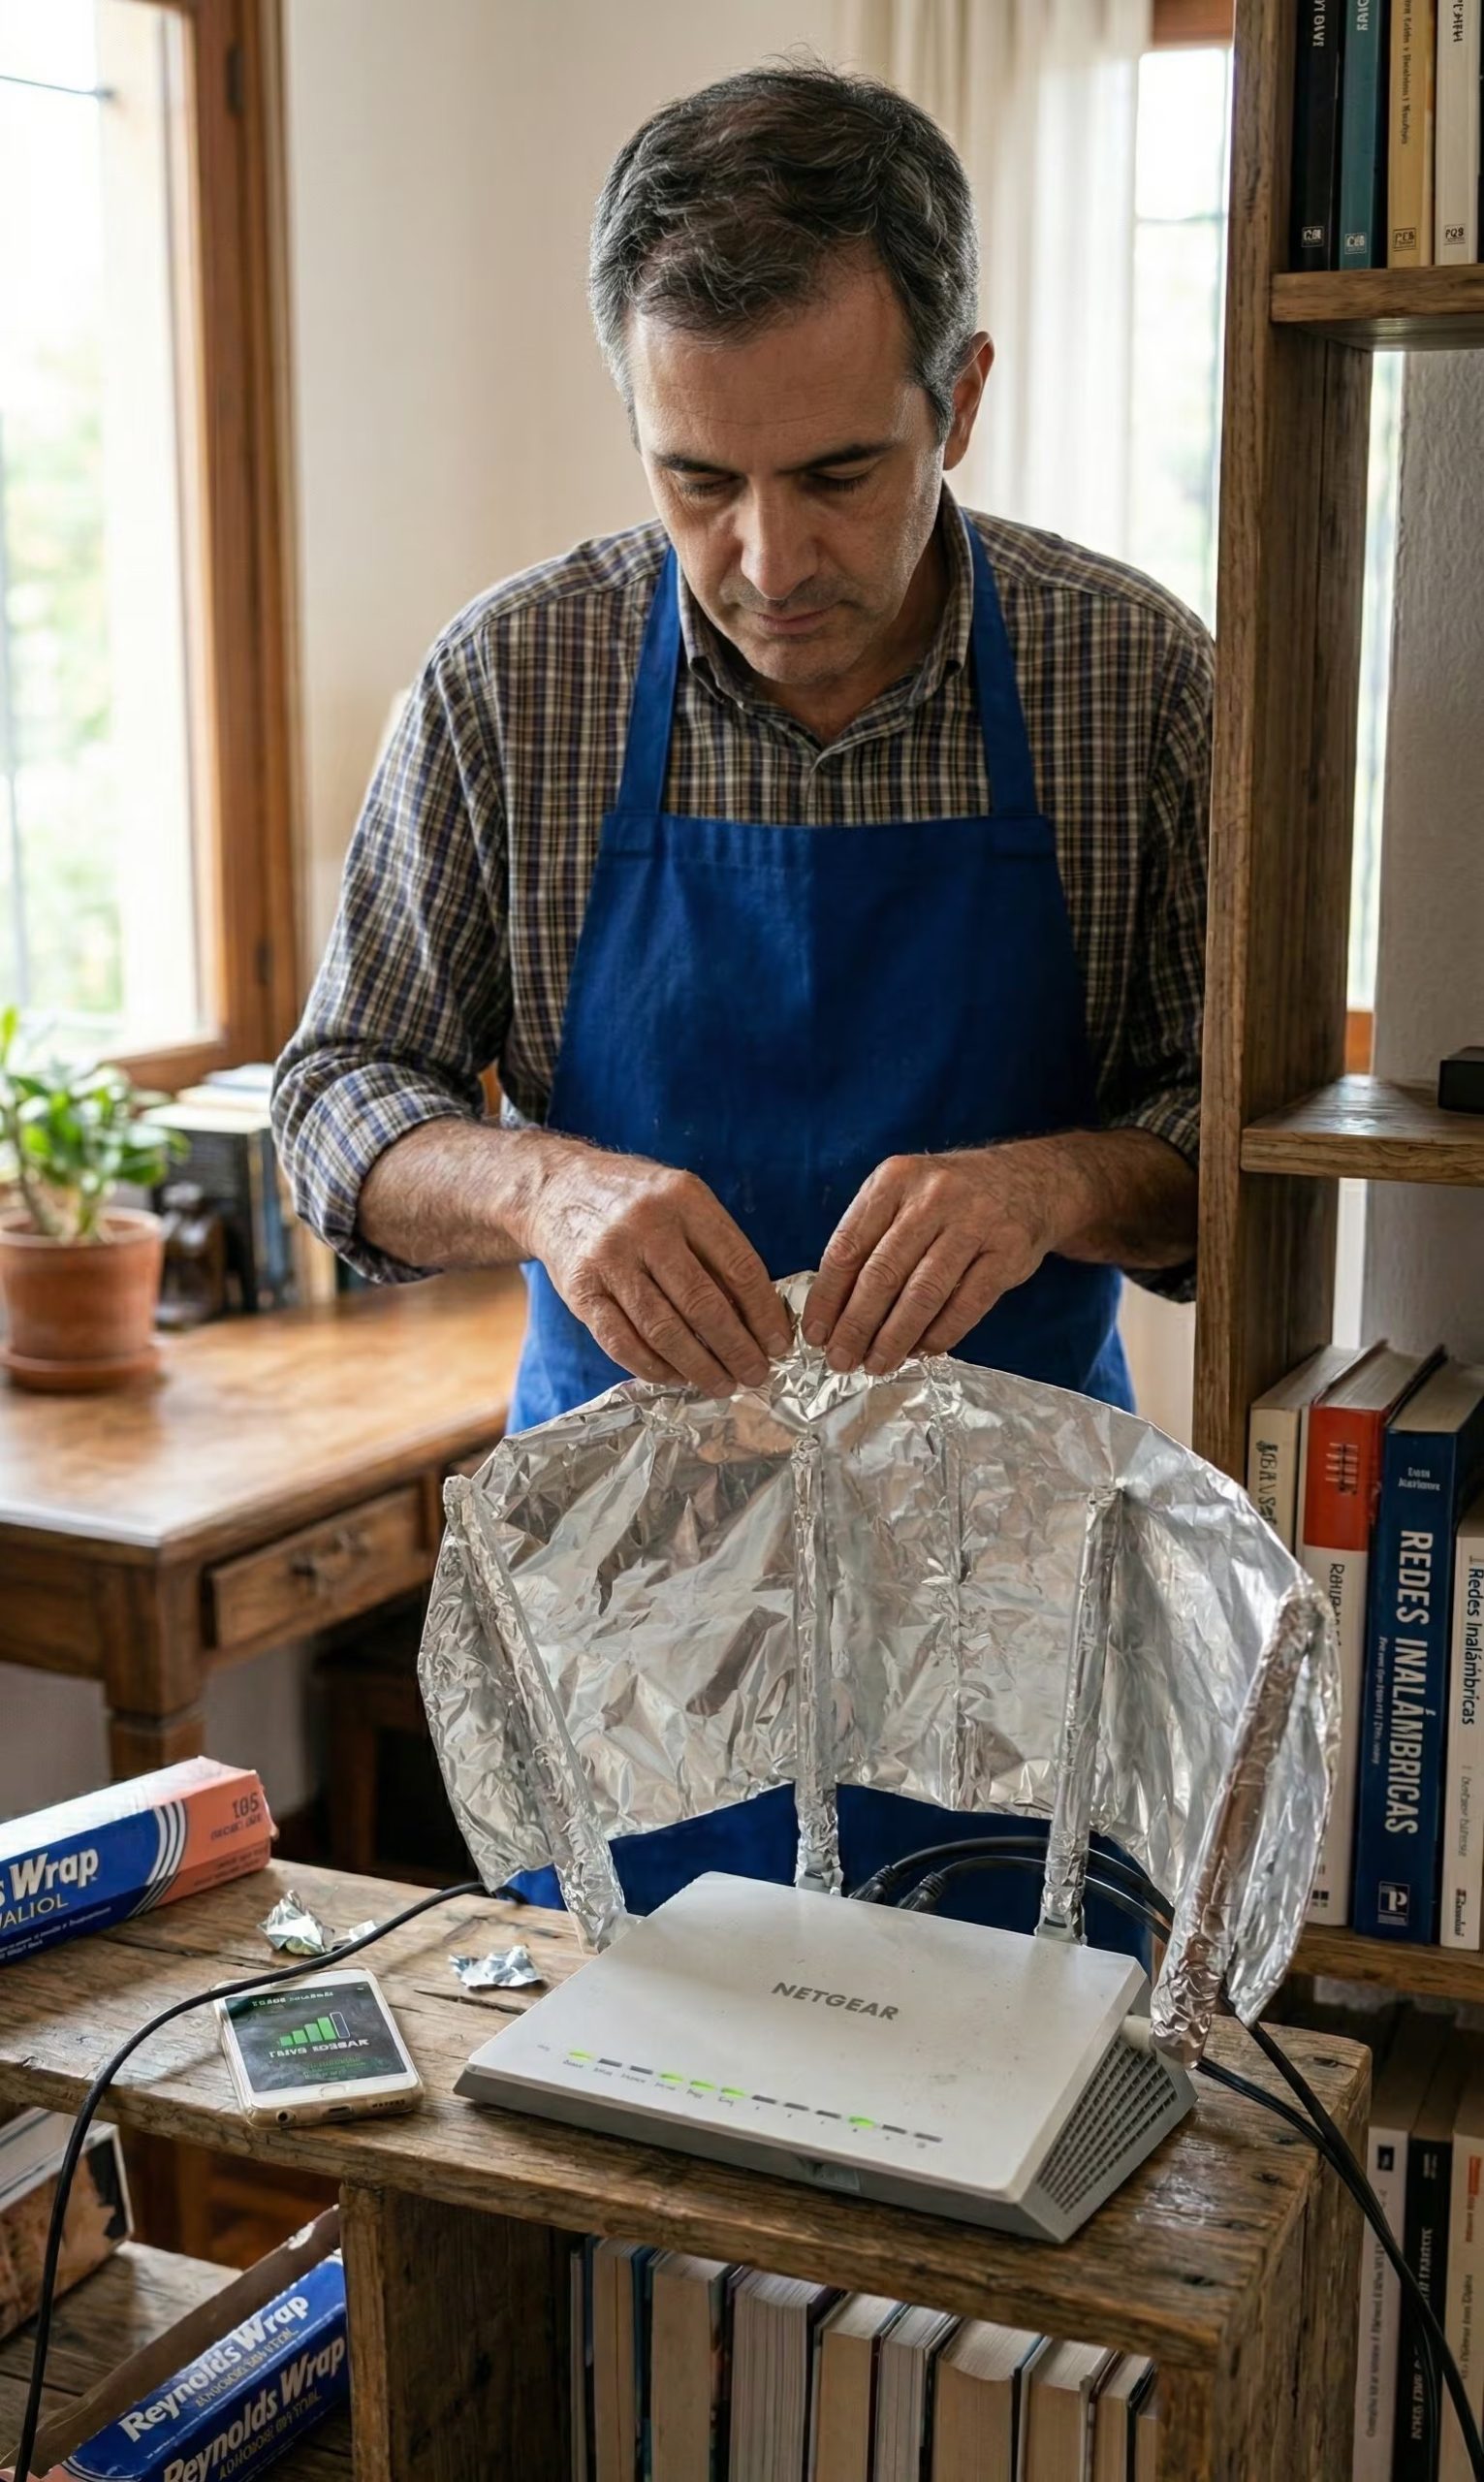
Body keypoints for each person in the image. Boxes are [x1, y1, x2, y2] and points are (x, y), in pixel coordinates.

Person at [273, 62, 1211, 1932]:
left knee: (1020, 2090)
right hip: (628, 1631)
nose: (768, 563)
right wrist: (541, 1184)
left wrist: (1049, 1185)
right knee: (620, 2105)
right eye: (698, 481)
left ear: (961, 397)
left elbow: (1230, 1143)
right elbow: (335, 1100)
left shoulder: (1138, 684)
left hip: (1017, 1624)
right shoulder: (512, 682)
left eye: (837, 475)